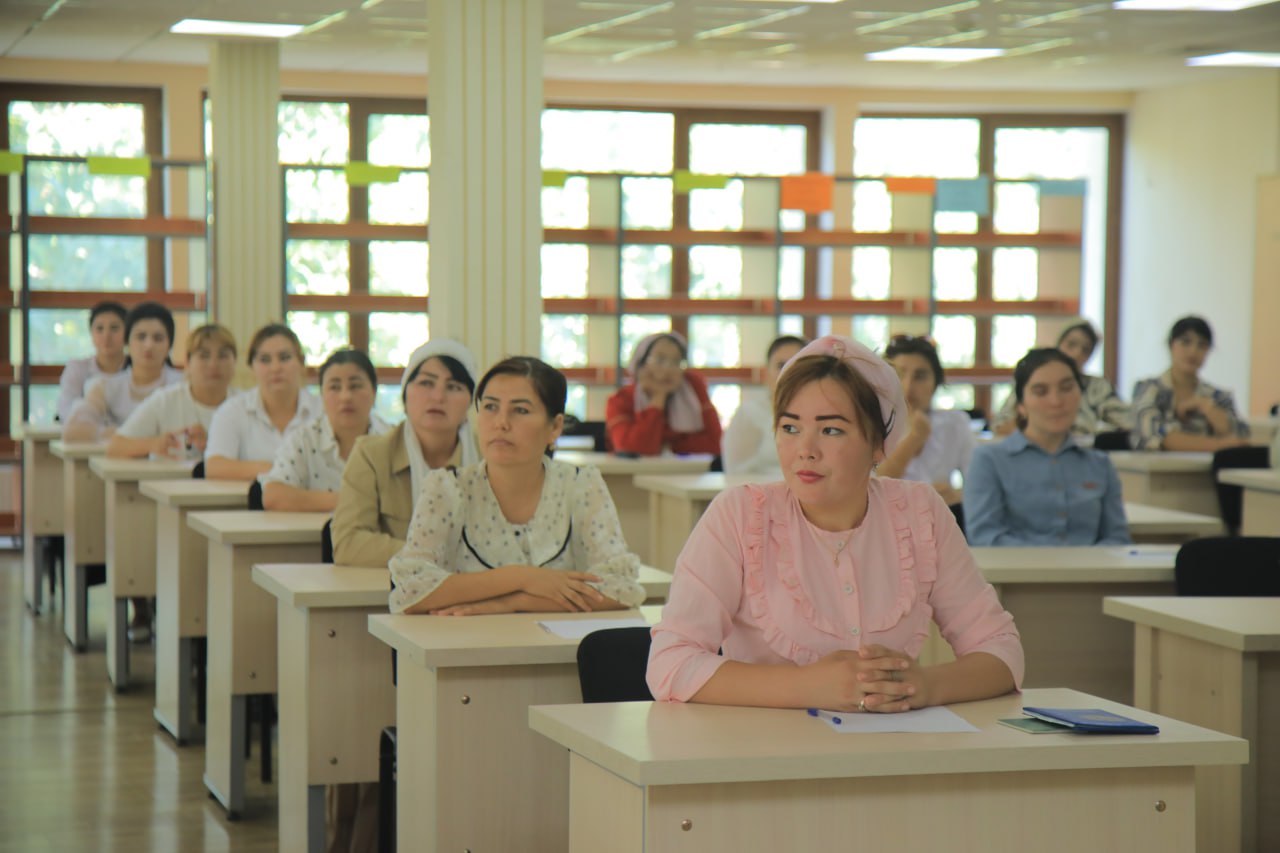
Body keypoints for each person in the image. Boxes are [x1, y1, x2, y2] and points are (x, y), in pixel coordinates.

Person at [646, 335, 1022, 713]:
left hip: (893, 752)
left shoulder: (919, 512)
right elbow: (669, 663)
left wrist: (922, 685)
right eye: (790, 428)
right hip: (763, 754)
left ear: (879, 445)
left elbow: (1001, 650)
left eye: (831, 430)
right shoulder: (740, 515)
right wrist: (806, 687)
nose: (805, 450)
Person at [389, 356, 646, 615]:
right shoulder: (446, 488)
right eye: (490, 407)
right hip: (465, 647)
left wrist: (510, 603)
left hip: (561, 651)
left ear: (555, 427)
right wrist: (523, 578)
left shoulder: (581, 484)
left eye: (520, 410)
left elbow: (621, 588)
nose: (501, 422)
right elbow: (411, 591)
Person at [331, 339, 480, 568]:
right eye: (426, 383)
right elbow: (348, 543)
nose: (438, 396)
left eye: (453, 387)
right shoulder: (371, 455)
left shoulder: (488, 458)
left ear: (470, 401)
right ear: (405, 394)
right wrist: (430, 555)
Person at [964, 348, 1131, 546]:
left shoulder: (1100, 464)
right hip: (1016, 575)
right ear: (1021, 406)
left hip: (1091, 574)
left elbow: (1117, 537)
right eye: (1040, 391)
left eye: (1067, 388)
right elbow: (985, 537)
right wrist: (1055, 563)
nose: (1056, 401)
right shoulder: (989, 460)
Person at [262, 349, 390, 512]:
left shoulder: (392, 440)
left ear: (374, 392)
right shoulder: (304, 438)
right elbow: (273, 496)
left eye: (355, 386)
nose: (345, 396)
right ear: (321, 395)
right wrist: (352, 502)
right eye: (335, 387)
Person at [204, 323, 321, 481]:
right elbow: (214, 467)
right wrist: (281, 468)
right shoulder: (232, 410)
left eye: (285, 358)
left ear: (301, 363)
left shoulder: (322, 410)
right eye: (265, 360)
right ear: (252, 367)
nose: (275, 367)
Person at [106, 324, 237, 459]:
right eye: (204, 356)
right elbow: (115, 447)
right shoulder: (165, 400)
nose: (213, 364)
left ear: (235, 362)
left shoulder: (245, 405)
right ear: (188, 362)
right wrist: (155, 444)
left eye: (223, 356)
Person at [62, 301, 184, 442]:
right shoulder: (104, 387)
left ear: (169, 345)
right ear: (127, 342)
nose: (149, 345)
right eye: (141, 337)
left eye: (158, 338)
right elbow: (71, 432)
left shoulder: (183, 385)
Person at [876, 335, 974, 508]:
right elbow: (871, 486)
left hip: (941, 518)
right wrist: (914, 438)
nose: (908, 386)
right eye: (900, 374)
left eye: (920, 376)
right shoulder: (873, 422)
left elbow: (978, 485)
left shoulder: (955, 423)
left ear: (936, 382)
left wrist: (958, 495)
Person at [992, 319, 1133, 438]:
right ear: (1058, 344)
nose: (1077, 353)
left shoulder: (1096, 387)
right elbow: (1000, 426)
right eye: (1071, 344)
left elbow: (1130, 422)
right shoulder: (1031, 379)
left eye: (1086, 350)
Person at [1130, 315, 1252, 452]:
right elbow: (1155, 436)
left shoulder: (1217, 396)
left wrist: (1205, 406)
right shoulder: (1149, 389)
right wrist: (1220, 445)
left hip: (1210, 470)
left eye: (1202, 345)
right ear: (1171, 345)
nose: (1193, 352)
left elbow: (1241, 438)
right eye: (1185, 342)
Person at [605, 332, 722, 456]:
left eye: (677, 362)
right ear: (640, 364)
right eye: (660, 360)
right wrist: (658, 398)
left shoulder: (692, 394)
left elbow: (717, 445)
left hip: (686, 473)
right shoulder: (621, 399)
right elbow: (633, 449)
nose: (668, 369)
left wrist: (665, 447)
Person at [721, 334, 807, 476]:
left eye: (796, 366)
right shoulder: (749, 413)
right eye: (781, 365)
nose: (787, 373)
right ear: (767, 371)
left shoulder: (820, 415)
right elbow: (735, 472)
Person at [56, 300, 127, 423]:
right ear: (91, 333)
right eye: (99, 329)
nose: (106, 335)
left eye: (114, 328)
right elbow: (65, 410)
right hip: (85, 437)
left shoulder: (138, 368)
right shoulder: (77, 368)